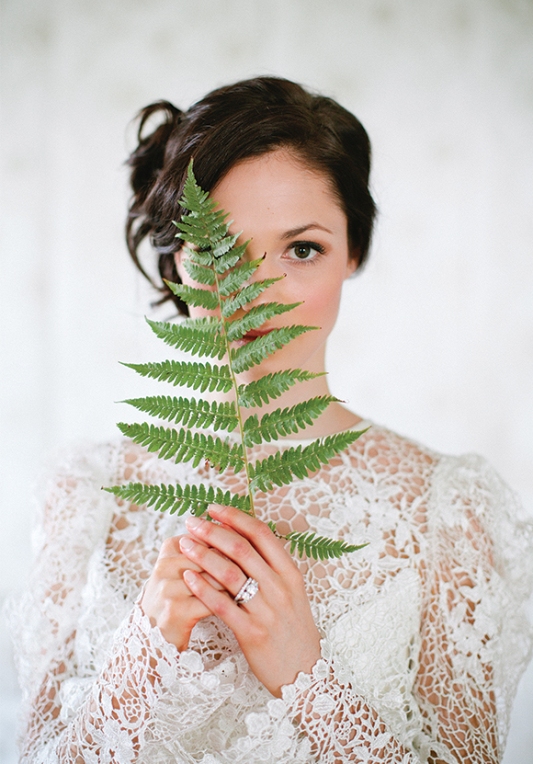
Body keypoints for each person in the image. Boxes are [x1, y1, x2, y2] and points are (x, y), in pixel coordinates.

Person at [7, 76, 533, 763]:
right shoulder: (85, 494)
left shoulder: (448, 508)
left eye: (301, 249)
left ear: (354, 254)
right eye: (219, 246)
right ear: (175, 264)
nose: (254, 290)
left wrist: (303, 674)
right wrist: (148, 638)